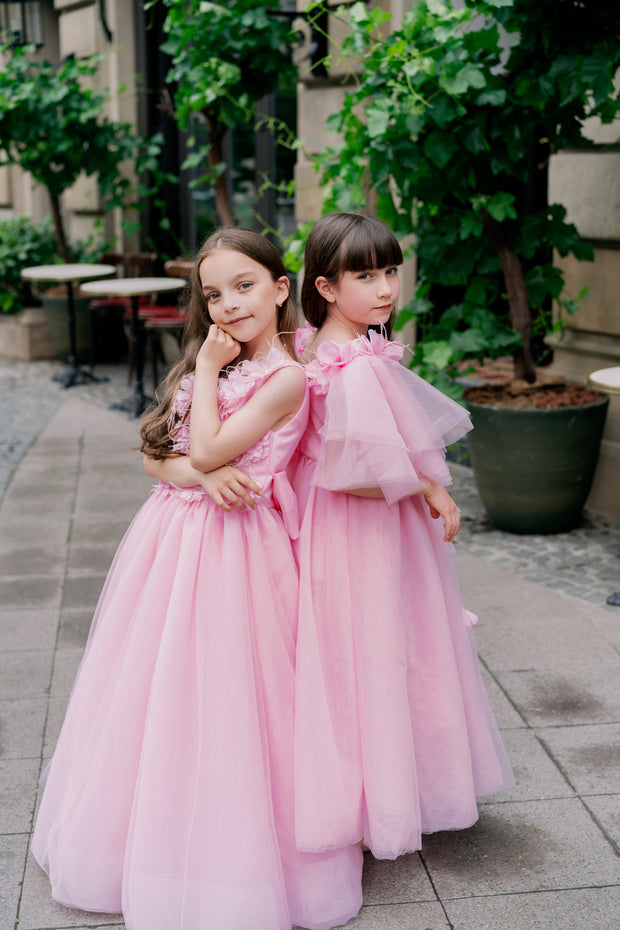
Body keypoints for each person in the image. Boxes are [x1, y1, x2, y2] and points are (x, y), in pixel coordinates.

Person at [31, 228, 363, 930]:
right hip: (172, 539)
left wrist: (209, 384)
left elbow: (213, 445)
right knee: (162, 689)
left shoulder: (286, 377)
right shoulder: (208, 358)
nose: (228, 305)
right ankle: (150, 838)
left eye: (244, 286)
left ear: (281, 288)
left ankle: (243, 854)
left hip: (242, 549)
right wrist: (197, 474)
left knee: (241, 694)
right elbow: (160, 456)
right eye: (213, 293)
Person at [291, 212, 514, 861]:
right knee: (377, 648)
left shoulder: (328, 349)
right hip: (363, 531)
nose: (387, 287)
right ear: (327, 286)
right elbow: (356, 473)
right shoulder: (354, 364)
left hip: (343, 528)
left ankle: (374, 796)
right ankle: (380, 803)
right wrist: (429, 488)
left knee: (353, 652)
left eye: (390, 270)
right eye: (366, 274)